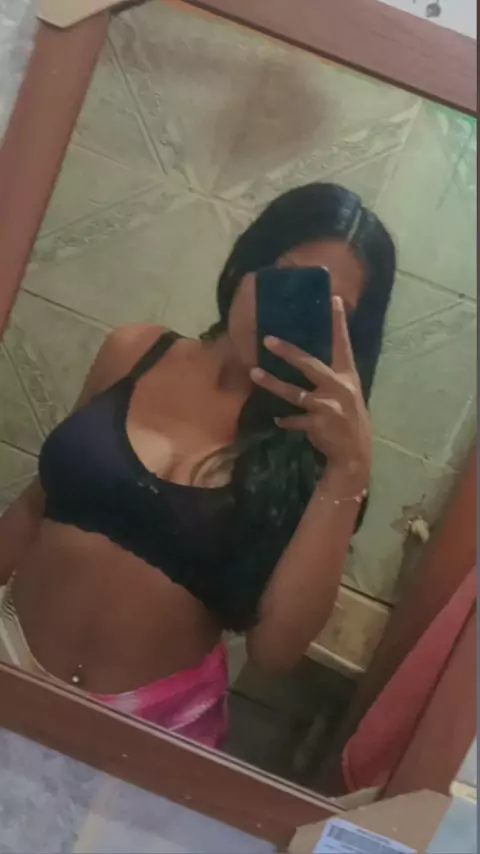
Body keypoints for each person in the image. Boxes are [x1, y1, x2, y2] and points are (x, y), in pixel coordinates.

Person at [0, 183, 396, 747]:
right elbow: (34, 506)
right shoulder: (134, 351)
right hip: (8, 657)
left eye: (331, 309)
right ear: (246, 264)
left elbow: (274, 653)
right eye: (286, 277)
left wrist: (348, 472)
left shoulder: (317, 452)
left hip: (152, 729)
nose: (291, 310)